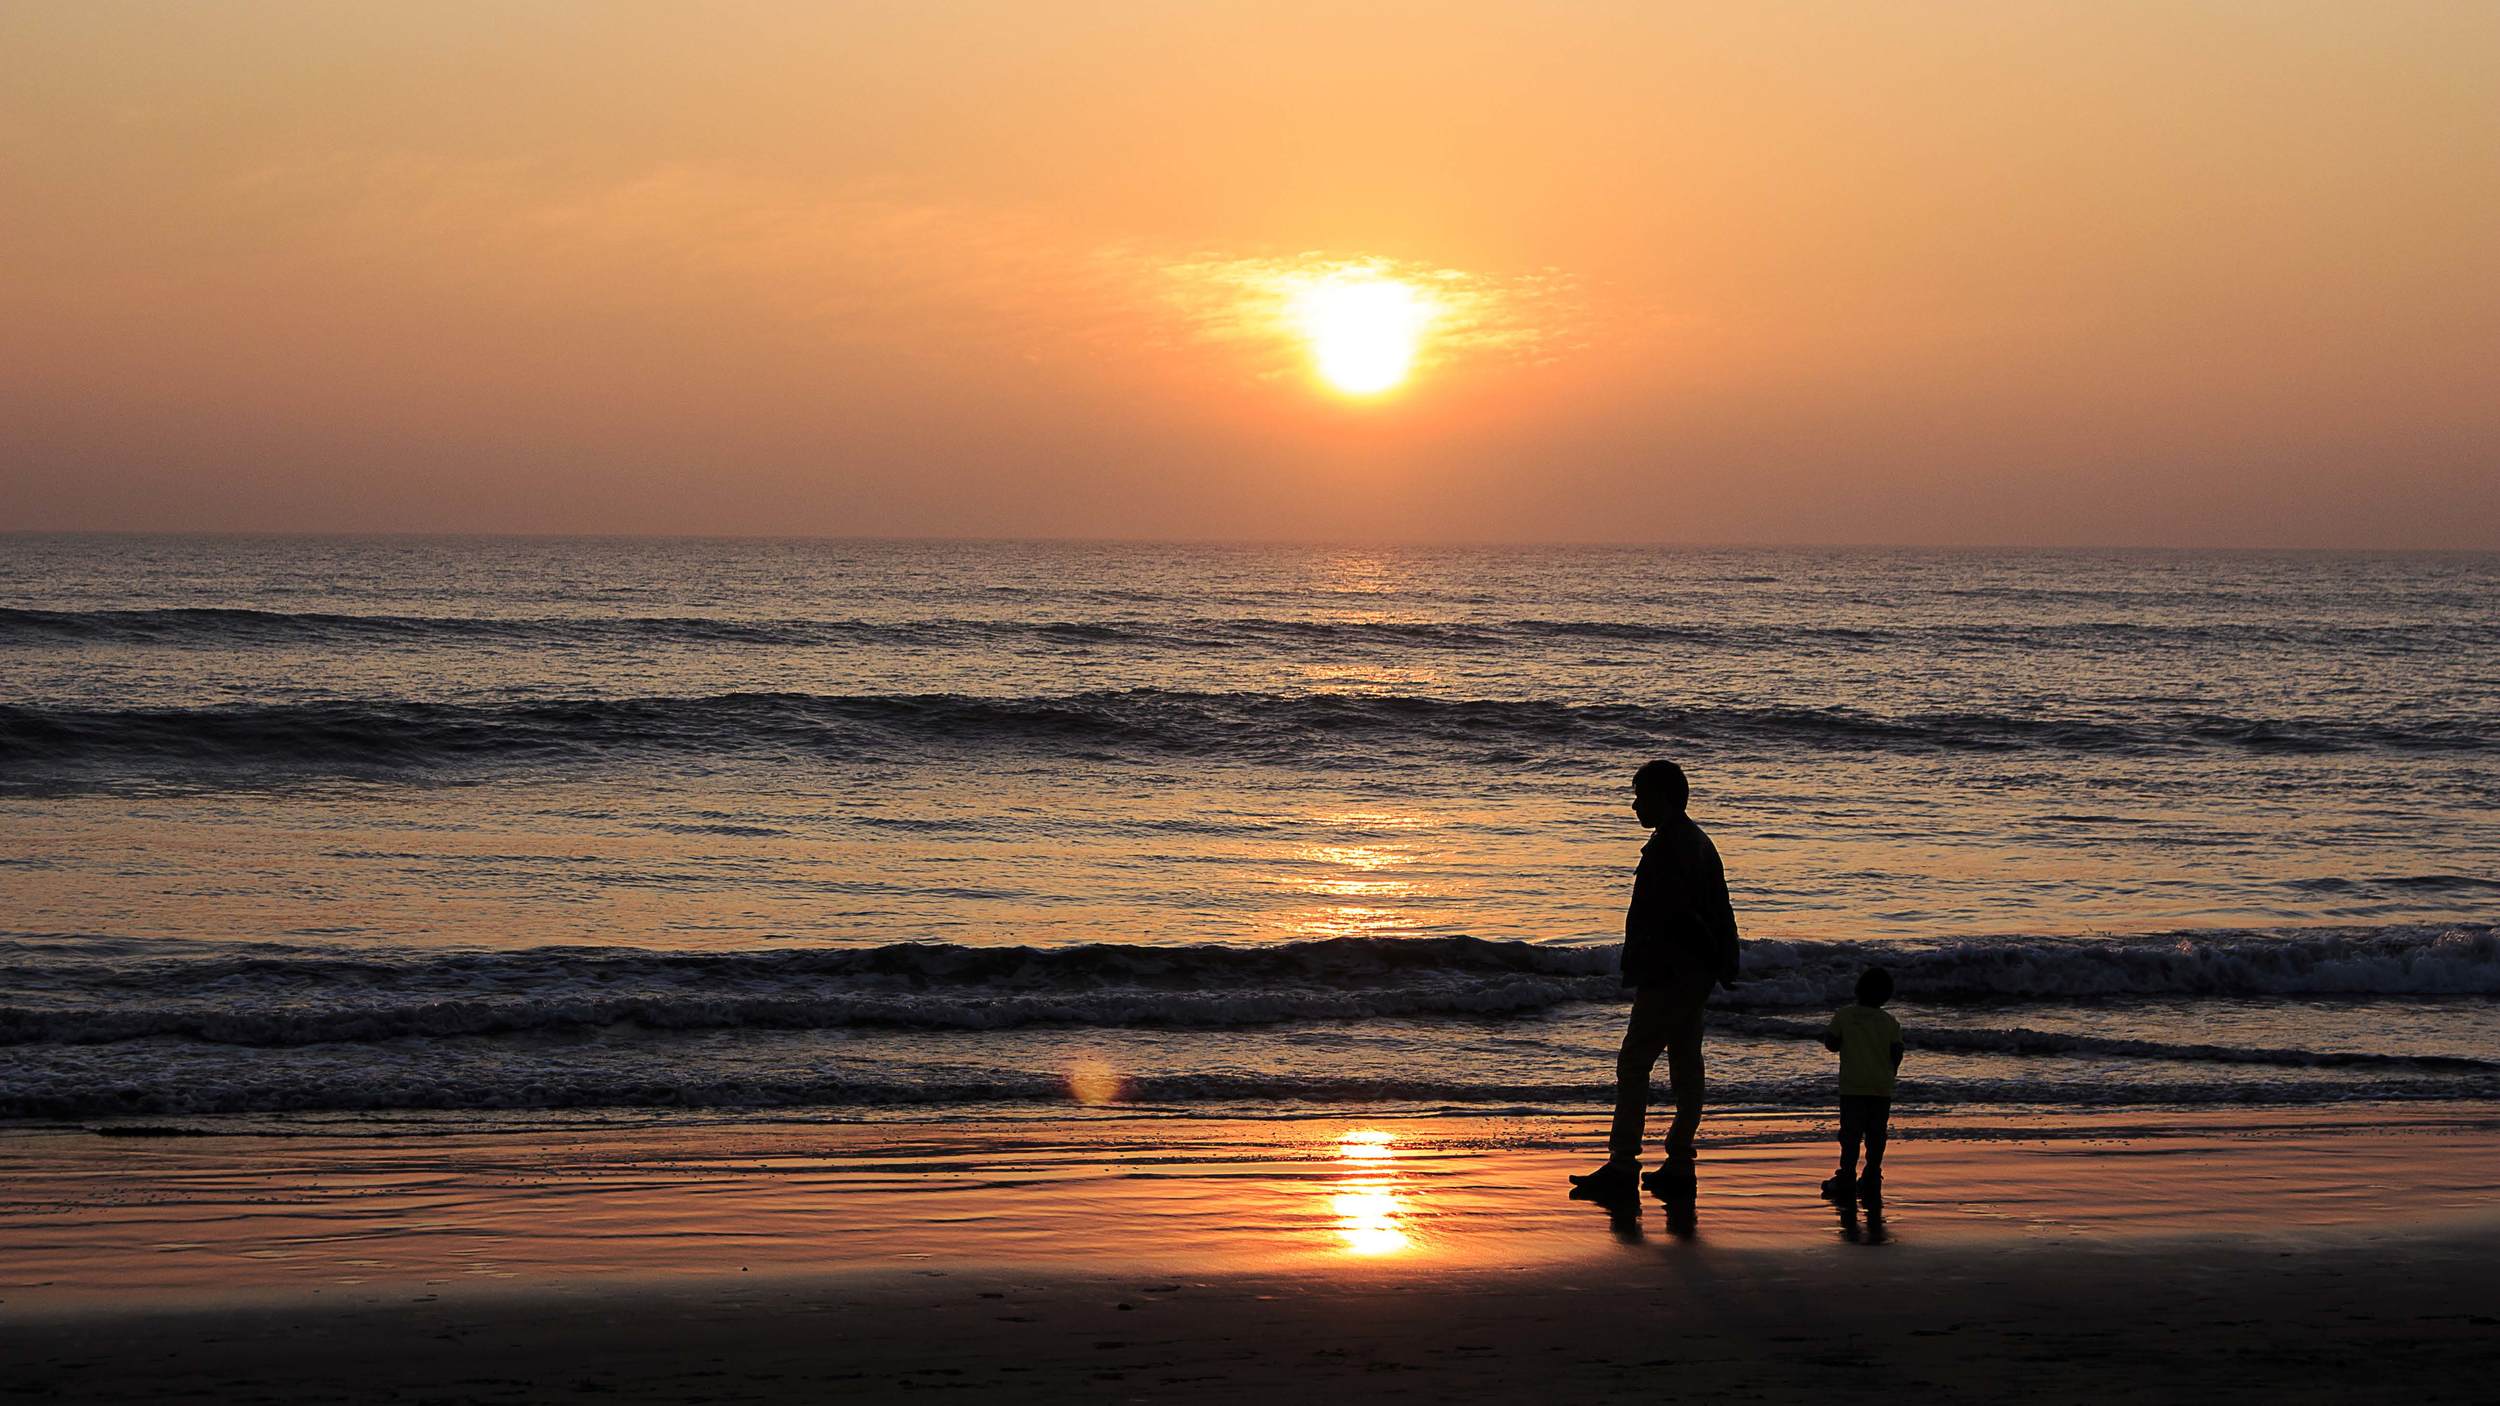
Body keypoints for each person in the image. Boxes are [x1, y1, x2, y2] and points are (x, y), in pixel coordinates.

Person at [1570, 759, 1741, 1201]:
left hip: (1671, 973)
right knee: (1685, 1064)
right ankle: (1680, 1163)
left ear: (1663, 799)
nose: (1633, 805)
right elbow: (1718, 910)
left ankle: (1624, 1164)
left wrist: (1680, 965)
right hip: (1691, 973)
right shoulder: (1694, 841)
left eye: (1640, 795)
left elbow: (1682, 916)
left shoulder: (1672, 847)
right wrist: (1721, 964)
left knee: (1634, 1064)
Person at [1819, 966, 1905, 1202]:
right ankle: (1872, 1176)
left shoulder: (1845, 1015)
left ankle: (1846, 1175)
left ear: (1858, 990)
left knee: (1850, 1135)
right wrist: (1891, 1072)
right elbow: (1897, 1051)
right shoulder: (1890, 1022)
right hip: (1880, 1087)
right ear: (1886, 995)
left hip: (1853, 1086)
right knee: (1876, 1134)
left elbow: (1831, 1043)